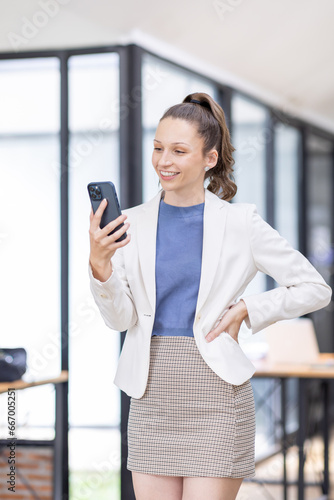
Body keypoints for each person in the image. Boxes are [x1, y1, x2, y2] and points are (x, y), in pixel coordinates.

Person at [88, 92, 332, 500]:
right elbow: (119, 319)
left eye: (179, 150)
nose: (163, 161)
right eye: (158, 148)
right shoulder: (131, 223)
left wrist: (248, 309)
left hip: (217, 393)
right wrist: (101, 266)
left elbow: (315, 288)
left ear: (210, 158)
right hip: (150, 395)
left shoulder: (241, 223)